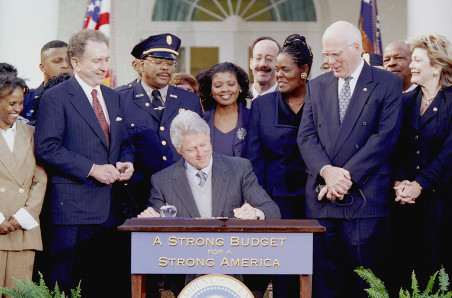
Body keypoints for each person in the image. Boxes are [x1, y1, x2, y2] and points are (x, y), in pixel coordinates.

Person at [297, 21, 402, 297]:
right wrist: (327, 173)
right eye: (326, 55)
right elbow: (306, 138)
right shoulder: (317, 86)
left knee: (365, 286)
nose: (330, 61)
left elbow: (385, 137)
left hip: (365, 203)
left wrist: (345, 178)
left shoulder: (387, 83)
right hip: (322, 202)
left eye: (336, 54)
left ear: (356, 48)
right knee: (324, 285)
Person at [34, 29, 135, 296]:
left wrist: (127, 162)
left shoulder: (113, 97)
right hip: (71, 212)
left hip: (111, 212)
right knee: (64, 285)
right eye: (96, 61)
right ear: (76, 62)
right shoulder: (55, 97)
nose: (104, 67)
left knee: (101, 285)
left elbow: (123, 142)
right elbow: (46, 147)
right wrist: (92, 169)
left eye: (106, 59)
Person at [138, 111, 281, 295]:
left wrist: (256, 213)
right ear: (178, 149)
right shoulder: (162, 181)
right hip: (186, 275)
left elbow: (271, 209)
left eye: (204, 144)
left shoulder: (239, 168)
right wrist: (150, 219)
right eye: (191, 149)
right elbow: (157, 221)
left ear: (209, 138)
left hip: (234, 269)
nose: (200, 153)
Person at [246, 33, 313, 297]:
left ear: (304, 71)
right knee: (272, 273)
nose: (279, 75)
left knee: (307, 272)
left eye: (285, 69)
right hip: (274, 202)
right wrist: (259, 202)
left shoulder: (320, 100)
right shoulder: (262, 105)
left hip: (313, 201)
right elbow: (254, 157)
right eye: (277, 70)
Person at [391, 33, 452, 289]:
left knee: (436, 278)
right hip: (404, 205)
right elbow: (391, 147)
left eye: (417, 60)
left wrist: (421, 184)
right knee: (404, 276)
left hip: (442, 207)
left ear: (436, 66)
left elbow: (449, 154)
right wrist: (398, 183)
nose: (410, 66)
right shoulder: (404, 102)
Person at [118, 33, 202, 214]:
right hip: (133, 194)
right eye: (157, 61)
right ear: (139, 65)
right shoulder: (119, 98)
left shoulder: (189, 101)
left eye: (170, 63)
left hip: (179, 192)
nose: (165, 67)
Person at [0, 73, 47, 291]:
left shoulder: (31, 133)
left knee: (19, 293)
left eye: (20, 103)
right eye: (11, 103)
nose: (17, 109)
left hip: (23, 231)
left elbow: (40, 179)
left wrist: (24, 216)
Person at [199, 62, 251, 158]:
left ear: (239, 86)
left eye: (231, 84)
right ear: (211, 89)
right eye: (218, 86)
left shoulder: (253, 118)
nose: (225, 89)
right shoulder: (200, 120)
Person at [21, 40, 72, 120]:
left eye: (69, 61)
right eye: (57, 61)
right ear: (43, 67)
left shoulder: (85, 99)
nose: (65, 65)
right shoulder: (25, 99)